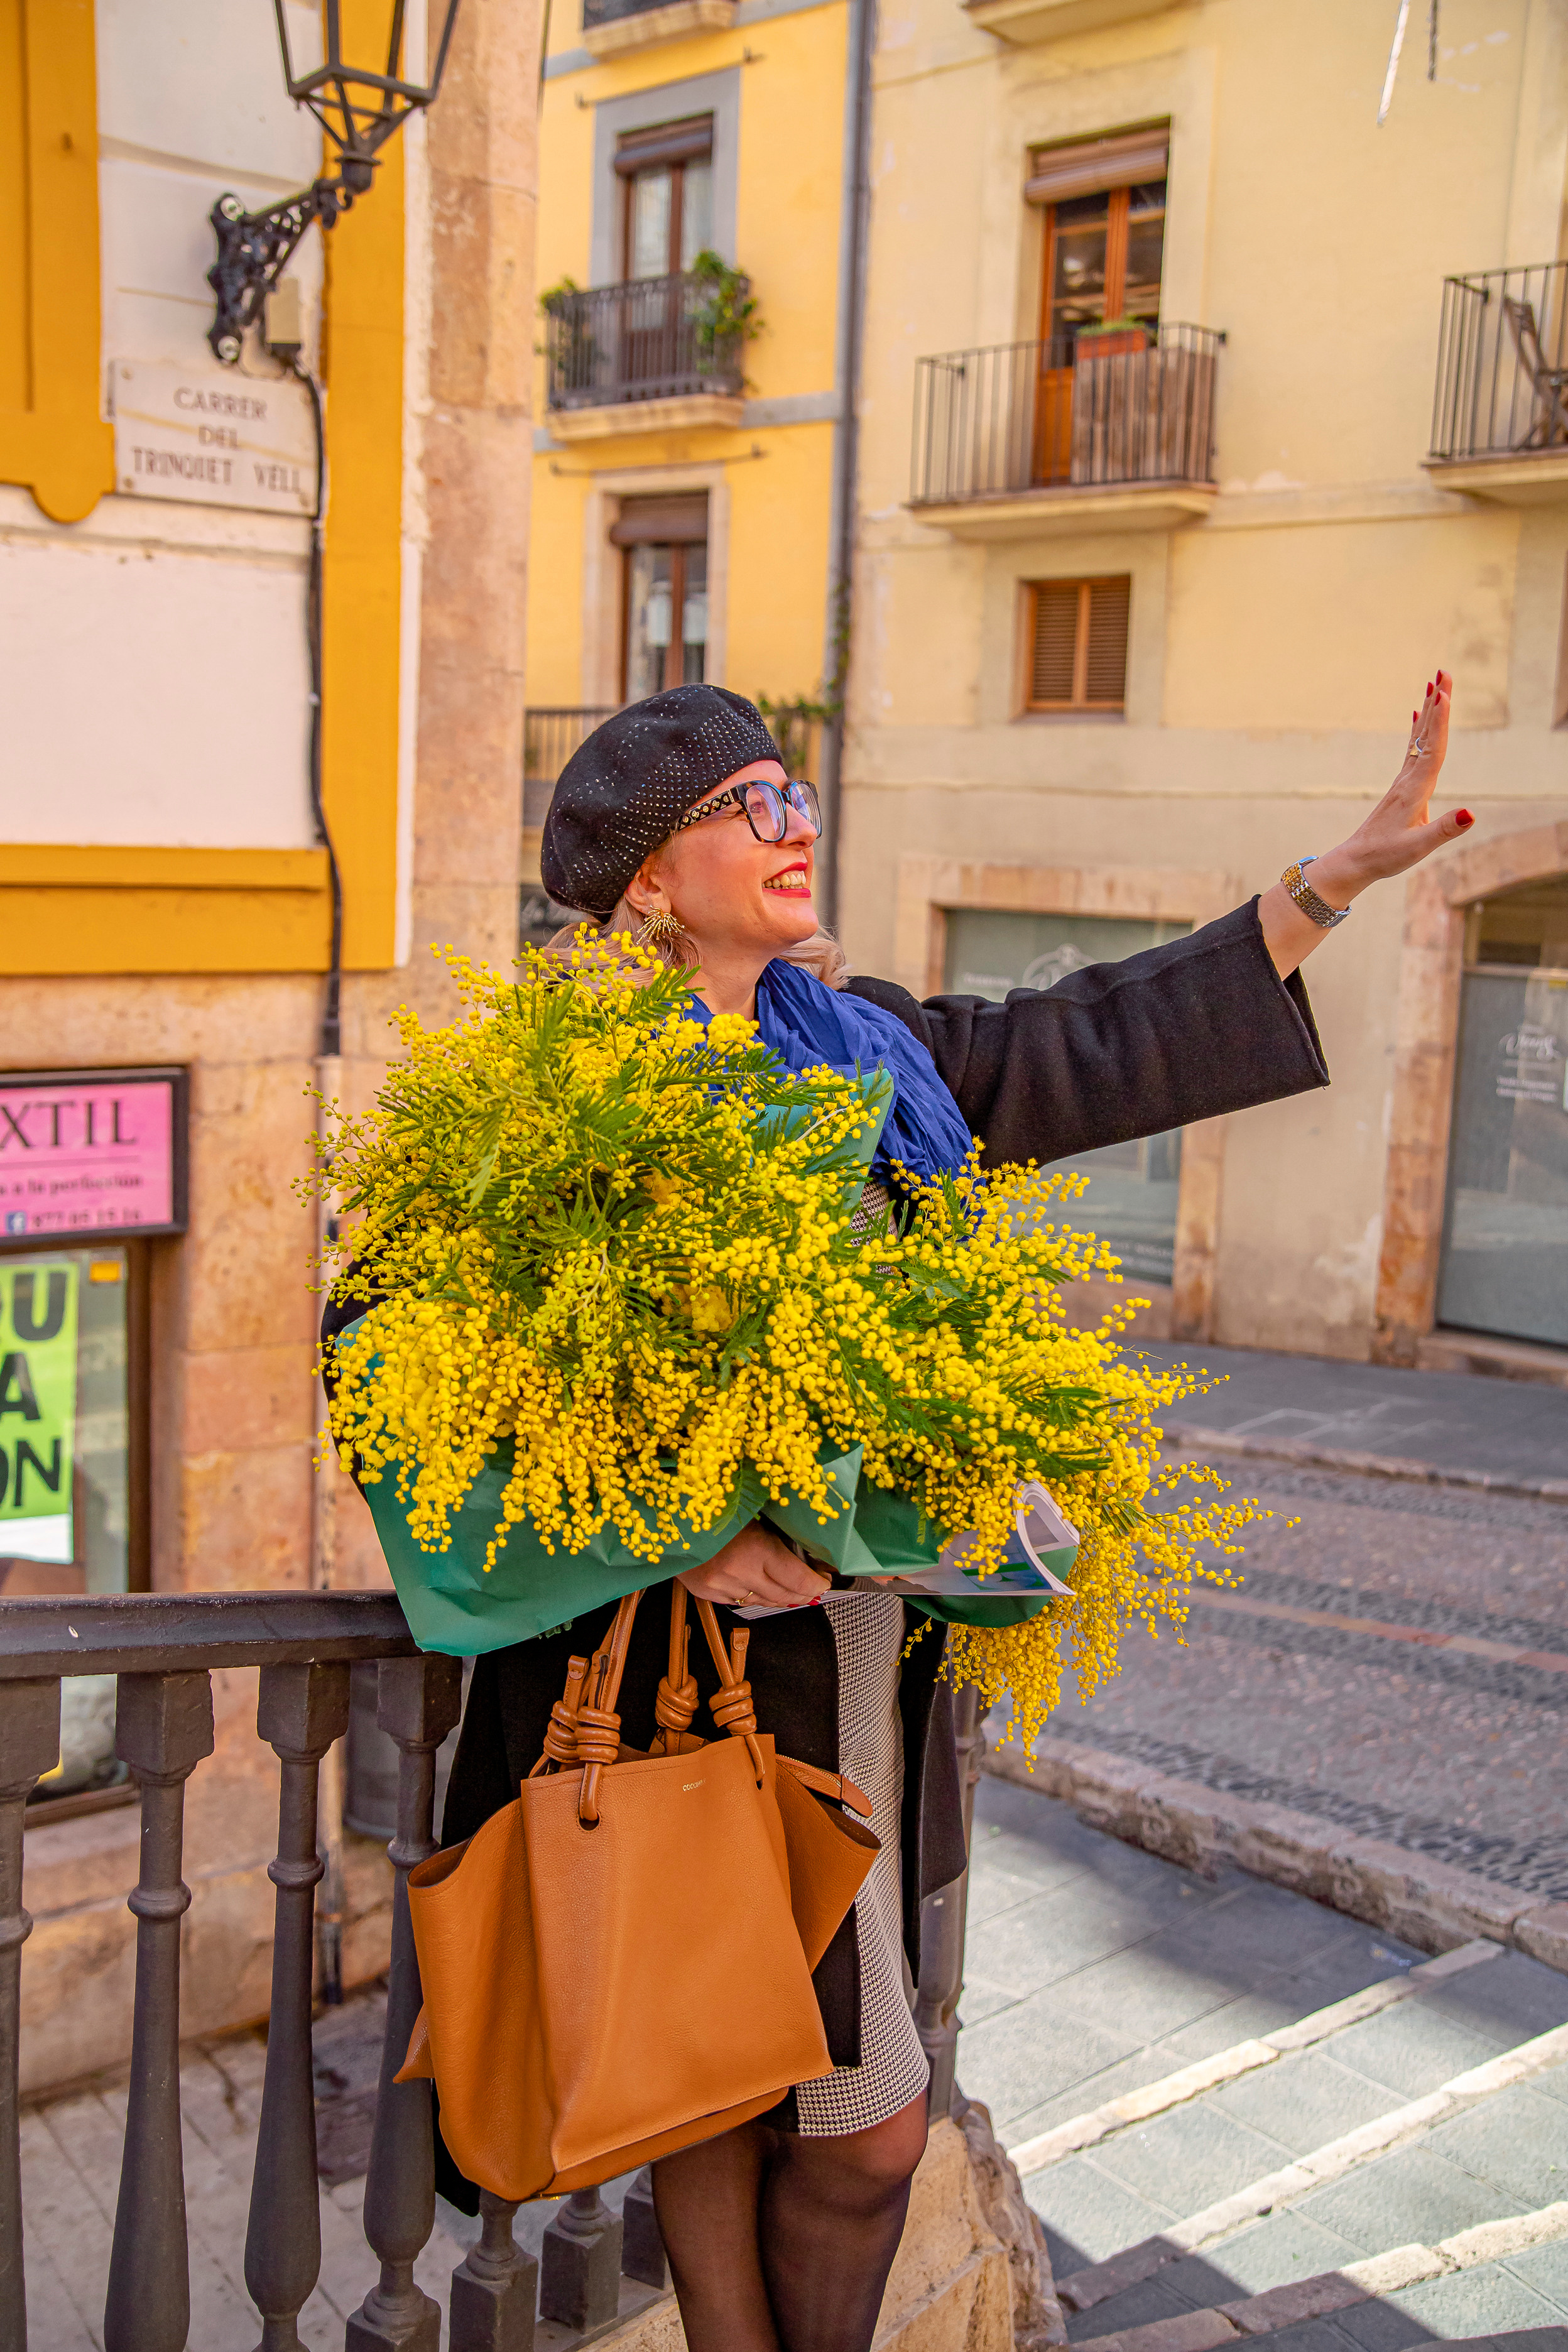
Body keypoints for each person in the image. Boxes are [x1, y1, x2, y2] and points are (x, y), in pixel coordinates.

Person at [326, 672, 1466, 2352]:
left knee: (809, 2104)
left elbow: (1087, 1039)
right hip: (667, 1686)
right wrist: (684, 1527)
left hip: (852, 1665)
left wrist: (1329, 884)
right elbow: (384, 1349)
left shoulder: (868, 1047)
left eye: (795, 793)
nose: (795, 824)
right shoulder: (546, 1091)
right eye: (748, 806)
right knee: (774, 2096)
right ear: (649, 882)